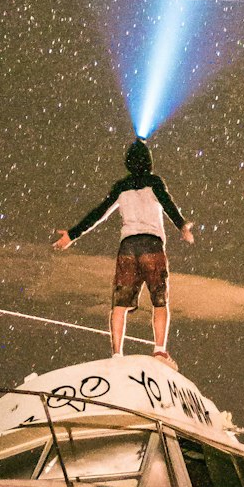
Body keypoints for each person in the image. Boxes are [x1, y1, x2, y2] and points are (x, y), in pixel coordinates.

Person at [54, 139, 194, 362]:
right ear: (149, 161)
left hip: (128, 246)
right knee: (160, 299)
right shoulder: (154, 183)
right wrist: (182, 225)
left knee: (119, 304)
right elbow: (168, 204)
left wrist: (72, 235)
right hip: (151, 244)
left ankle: (117, 353)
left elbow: (98, 213)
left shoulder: (121, 187)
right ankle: (159, 350)